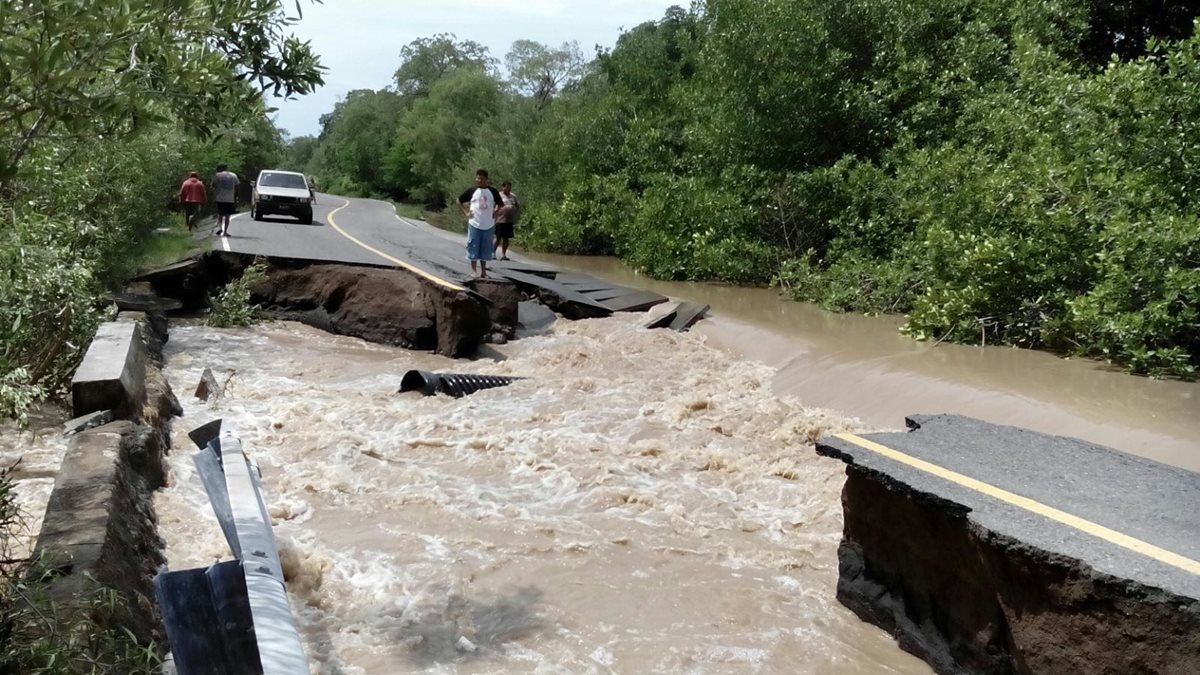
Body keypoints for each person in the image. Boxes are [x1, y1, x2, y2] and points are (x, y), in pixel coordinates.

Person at [458, 169, 504, 278]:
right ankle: (474, 270)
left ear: (486, 179)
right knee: (473, 246)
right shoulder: (472, 190)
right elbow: (459, 200)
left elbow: (500, 204)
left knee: (485, 248)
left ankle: (484, 272)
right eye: (477, 178)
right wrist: (465, 212)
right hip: (475, 223)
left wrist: (495, 212)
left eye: (481, 178)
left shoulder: (492, 191)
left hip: (488, 224)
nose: (479, 180)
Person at [493, 180, 520, 261]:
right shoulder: (499, 195)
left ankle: (504, 255)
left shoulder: (513, 196)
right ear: (503, 187)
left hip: (509, 220)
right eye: (506, 187)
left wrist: (515, 210)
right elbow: (493, 205)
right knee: (498, 237)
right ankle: (493, 253)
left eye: (509, 187)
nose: (508, 189)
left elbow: (517, 205)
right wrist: (493, 213)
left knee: (506, 238)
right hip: (500, 219)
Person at [212, 163, 239, 237]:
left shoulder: (217, 175)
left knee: (220, 214)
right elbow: (237, 187)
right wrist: (235, 197)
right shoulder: (233, 175)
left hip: (220, 198)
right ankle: (225, 232)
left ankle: (220, 228)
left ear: (220, 169)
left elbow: (213, 185)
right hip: (230, 199)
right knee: (227, 216)